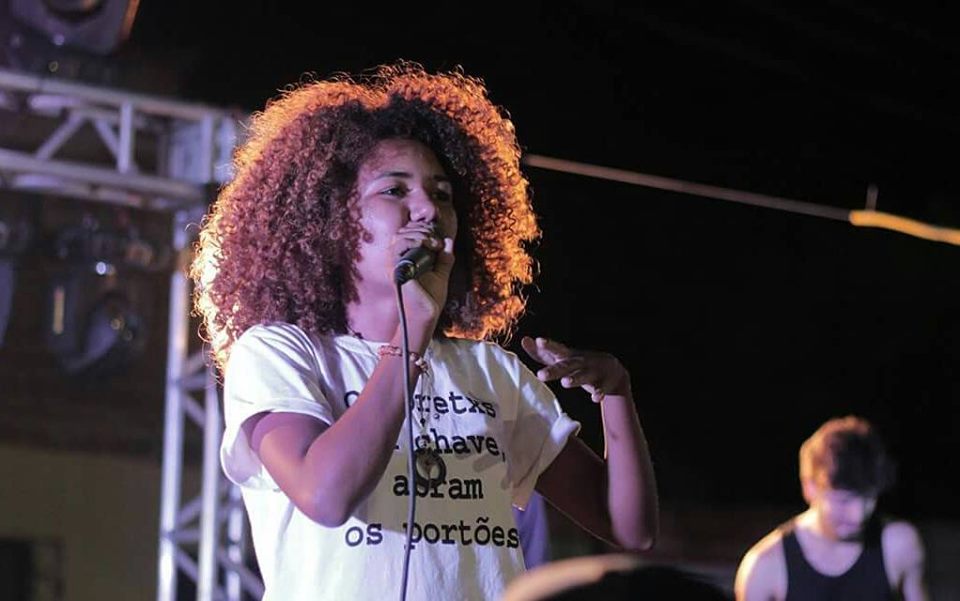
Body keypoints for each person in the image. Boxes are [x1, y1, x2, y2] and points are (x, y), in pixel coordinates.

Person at [191, 61, 658, 600]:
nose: (427, 210)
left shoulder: (489, 371)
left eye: (442, 194)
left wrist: (615, 394)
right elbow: (325, 495)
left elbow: (630, 529)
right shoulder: (281, 353)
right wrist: (411, 331)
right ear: (330, 220)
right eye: (394, 190)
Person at [735, 415, 928, 600]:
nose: (858, 515)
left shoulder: (900, 545)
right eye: (843, 500)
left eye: (868, 497)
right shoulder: (765, 566)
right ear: (810, 487)